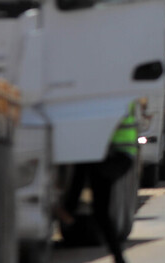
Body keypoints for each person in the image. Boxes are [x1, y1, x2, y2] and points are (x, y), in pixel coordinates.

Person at [59, 103, 139, 263]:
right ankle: (118, 257)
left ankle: (69, 208)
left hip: (116, 154)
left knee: (84, 163)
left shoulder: (113, 96)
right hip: (117, 155)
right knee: (100, 212)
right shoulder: (117, 92)